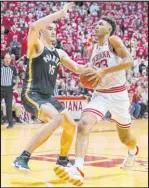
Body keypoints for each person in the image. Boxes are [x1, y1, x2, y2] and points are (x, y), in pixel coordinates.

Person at [56, 16, 139, 186]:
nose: (96, 25)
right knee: (83, 123)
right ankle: (78, 168)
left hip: (118, 95)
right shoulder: (92, 49)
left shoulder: (113, 41)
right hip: (100, 94)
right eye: (96, 22)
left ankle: (132, 151)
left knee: (126, 139)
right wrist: (88, 77)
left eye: (101, 24)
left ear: (109, 29)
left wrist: (103, 71)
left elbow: (129, 61)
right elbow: (92, 73)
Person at [12, 3, 87, 173]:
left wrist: (93, 69)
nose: (54, 31)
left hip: (47, 96)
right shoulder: (36, 46)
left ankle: (62, 160)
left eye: (55, 29)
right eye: (49, 28)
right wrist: (59, 13)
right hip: (31, 93)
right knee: (56, 119)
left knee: (70, 124)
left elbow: (76, 68)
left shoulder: (59, 53)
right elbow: (33, 26)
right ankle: (22, 157)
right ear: (42, 31)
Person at [1, 53, 19, 128]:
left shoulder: (13, 68)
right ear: (3, 59)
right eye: (6, 58)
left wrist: (16, 84)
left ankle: (10, 124)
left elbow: (17, 76)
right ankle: (2, 119)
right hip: (1, 88)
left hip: (9, 89)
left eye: (9, 58)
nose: (7, 60)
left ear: (10, 60)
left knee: (9, 107)